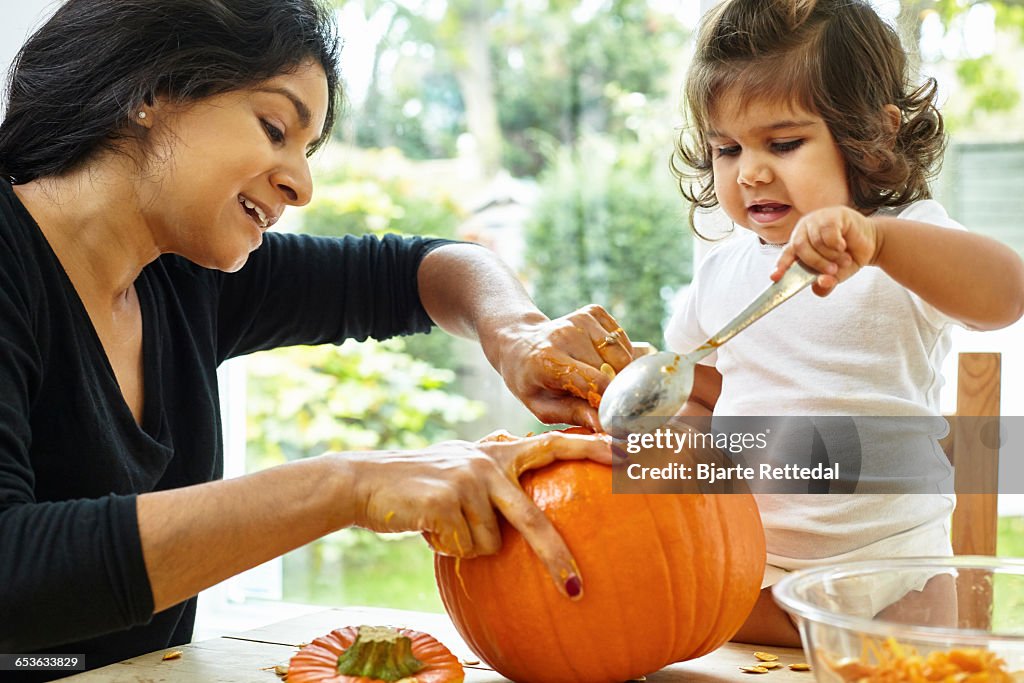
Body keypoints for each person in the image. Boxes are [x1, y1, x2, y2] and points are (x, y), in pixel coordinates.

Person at [0, 0, 636, 676]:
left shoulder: (178, 277)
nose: (300, 184)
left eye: (305, 150)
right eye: (275, 128)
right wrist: (348, 484)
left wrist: (516, 333)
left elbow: (412, 270)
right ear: (151, 90)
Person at [666, 0, 1024, 646]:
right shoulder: (719, 276)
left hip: (894, 571)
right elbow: (693, 390)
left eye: (783, 142)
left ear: (874, 134)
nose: (749, 171)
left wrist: (880, 241)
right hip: (758, 567)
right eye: (727, 148)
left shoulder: (903, 242)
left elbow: (1005, 295)